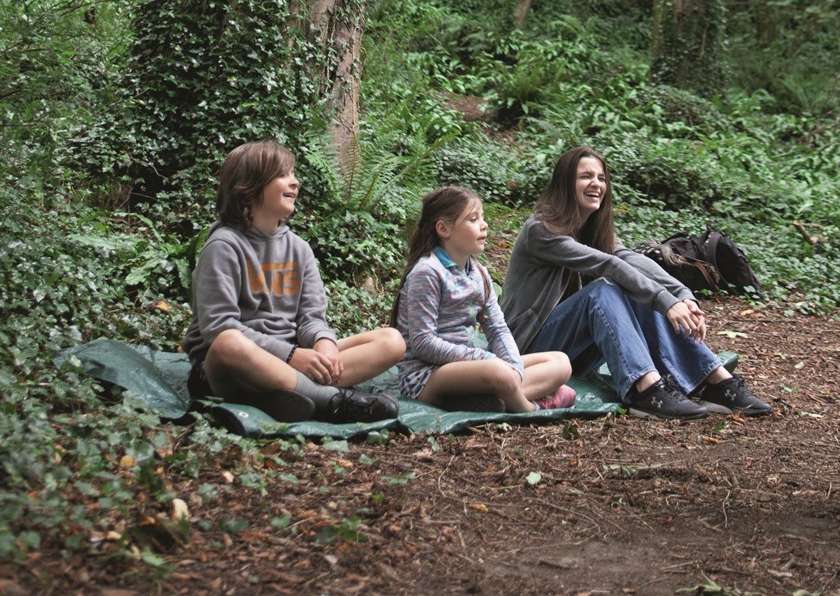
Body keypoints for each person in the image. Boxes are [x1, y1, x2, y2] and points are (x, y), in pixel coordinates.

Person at [500, 145, 772, 421]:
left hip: (571, 352)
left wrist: (681, 295)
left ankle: (715, 381)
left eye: (601, 178)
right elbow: (608, 265)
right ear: (565, 184)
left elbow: (627, 258)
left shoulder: (590, 228)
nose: (596, 184)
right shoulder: (541, 230)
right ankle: (645, 390)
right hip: (531, 353)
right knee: (604, 290)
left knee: (632, 287)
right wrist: (666, 302)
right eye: (585, 177)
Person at [184, 140, 404, 423]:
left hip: (293, 356)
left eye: (293, 174)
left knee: (391, 340)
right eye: (283, 175)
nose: (295, 182)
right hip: (228, 366)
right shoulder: (224, 246)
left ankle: (279, 393)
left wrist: (324, 343)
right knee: (229, 343)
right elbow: (218, 328)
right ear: (248, 188)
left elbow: (311, 317)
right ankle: (332, 401)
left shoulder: (299, 248)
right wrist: (292, 356)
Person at [391, 186, 575, 413]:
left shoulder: (478, 273)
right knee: (497, 373)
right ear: (444, 228)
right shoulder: (428, 272)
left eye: (483, 217)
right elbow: (423, 343)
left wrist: (513, 366)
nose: (484, 224)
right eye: (473, 218)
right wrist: (485, 359)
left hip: (473, 369)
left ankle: (493, 398)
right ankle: (528, 406)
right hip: (427, 376)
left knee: (561, 362)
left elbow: (497, 328)